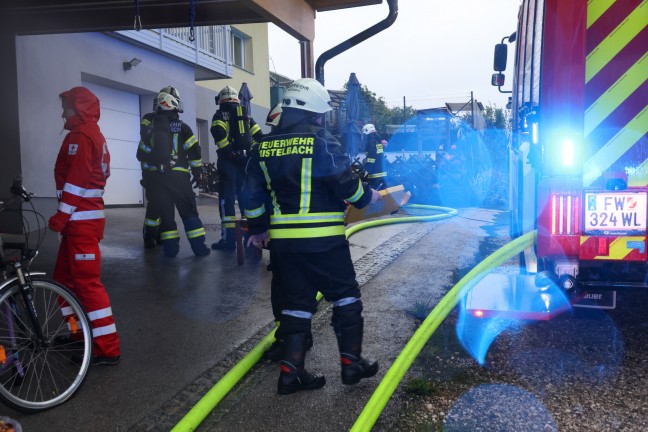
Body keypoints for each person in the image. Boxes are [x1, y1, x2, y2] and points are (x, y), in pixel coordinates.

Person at [243, 78, 381, 395]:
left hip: (284, 246)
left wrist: (258, 229)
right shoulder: (321, 142)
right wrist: (366, 197)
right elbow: (345, 181)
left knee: (295, 305)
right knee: (346, 297)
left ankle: (291, 374)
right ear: (317, 114)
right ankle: (351, 365)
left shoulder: (260, 147)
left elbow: (250, 194)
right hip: (324, 242)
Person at [49, 86, 121, 366]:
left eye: (66, 106)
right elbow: (103, 173)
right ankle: (81, 336)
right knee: (64, 282)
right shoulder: (93, 134)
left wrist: (61, 218)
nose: (62, 111)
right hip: (81, 222)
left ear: (78, 107)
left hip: (80, 223)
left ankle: (106, 348)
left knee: (87, 285)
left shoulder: (81, 136)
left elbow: (77, 182)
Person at [136, 86, 210, 258]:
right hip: (179, 178)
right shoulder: (183, 128)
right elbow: (194, 153)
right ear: (174, 105)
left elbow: (141, 154)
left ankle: (170, 251)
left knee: (166, 215)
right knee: (189, 212)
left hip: (157, 179)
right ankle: (200, 249)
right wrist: (198, 174)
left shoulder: (150, 130)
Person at [210, 85, 264, 251]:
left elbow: (218, 133)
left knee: (227, 200)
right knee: (245, 199)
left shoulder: (219, 114)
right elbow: (259, 136)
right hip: (245, 163)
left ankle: (229, 241)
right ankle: (249, 237)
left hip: (227, 163)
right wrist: (248, 154)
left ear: (221, 100)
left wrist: (230, 152)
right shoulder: (245, 115)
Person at [362, 123, 389, 190]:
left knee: (375, 194)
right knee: (384, 193)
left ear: (367, 131)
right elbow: (378, 155)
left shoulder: (371, 141)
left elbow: (371, 157)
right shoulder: (377, 140)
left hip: (375, 174)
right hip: (382, 171)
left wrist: (367, 171)